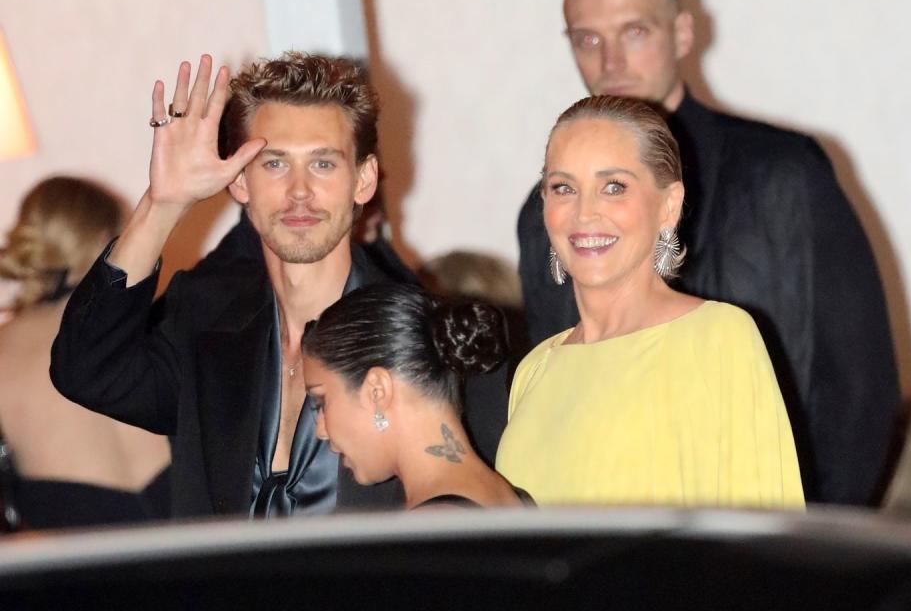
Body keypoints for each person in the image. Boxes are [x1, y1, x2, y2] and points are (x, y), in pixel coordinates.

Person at [516, 0, 899, 505]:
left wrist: (820, 554)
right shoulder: (550, 221)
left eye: (634, 31)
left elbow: (860, 388)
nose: (611, 62)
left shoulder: (784, 172)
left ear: (682, 33)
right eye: (588, 38)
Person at [51, 53, 405, 518]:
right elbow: (87, 370)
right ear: (240, 183)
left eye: (323, 164)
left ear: (363, 180)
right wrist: (163, 206)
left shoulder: (418, 340)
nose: (299, 191)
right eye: (274, 164)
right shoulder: (203, 323)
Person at [499, 96, 803, 508]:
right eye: (564, 188)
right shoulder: (533, 370)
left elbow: (762, 539)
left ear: (668, 205)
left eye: (614, 187)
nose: (584, 213)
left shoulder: (719, 338)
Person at [0, 177, 170, 529]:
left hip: (87, 555)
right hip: (197, 529)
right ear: (104, 238)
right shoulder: (158, 314)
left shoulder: (6, 347)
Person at [302, 283, 528, 509]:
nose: (321, 430)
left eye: (322, 401)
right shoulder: (506, 497)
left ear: (377, 390)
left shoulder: (433, 527)